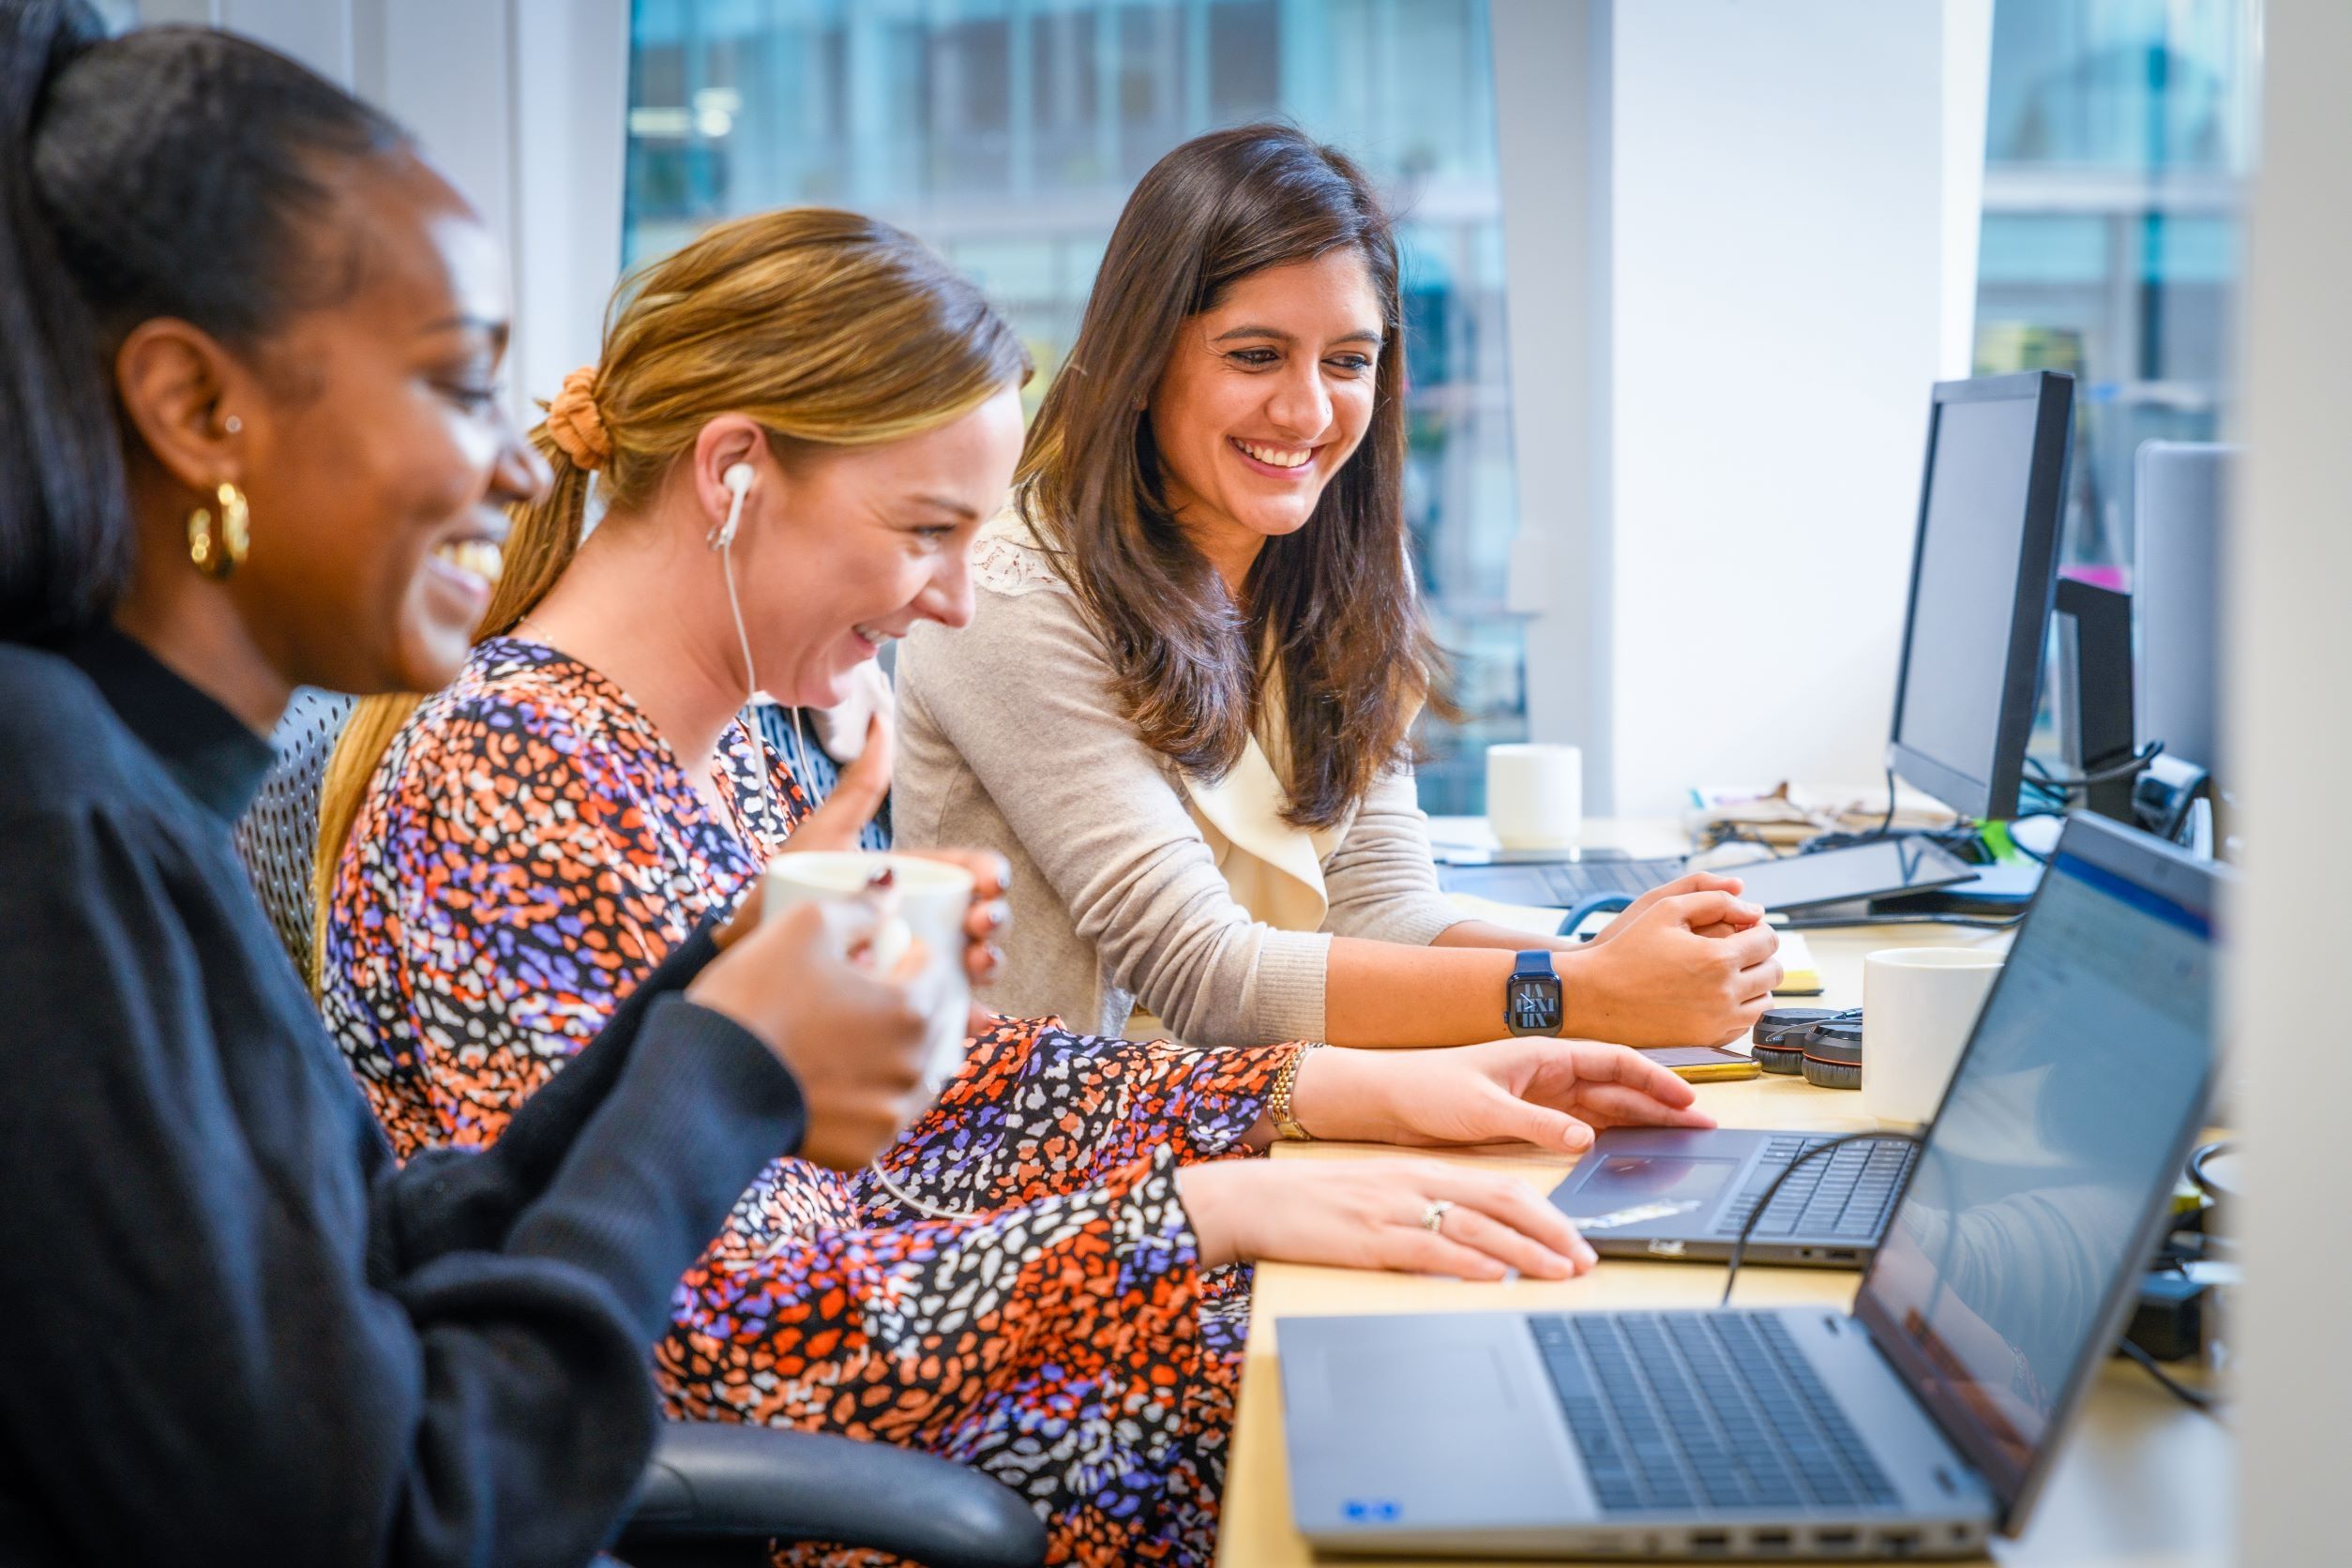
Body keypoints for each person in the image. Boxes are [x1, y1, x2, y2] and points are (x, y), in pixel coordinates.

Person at [314, 205, 1719, 1564]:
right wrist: (1201, 1211)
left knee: (1422, 1339)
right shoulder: (521, 789)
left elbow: (916, 1101)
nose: (954, 602)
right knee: (1376, 1399)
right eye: (925, 530)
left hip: (880, 1344)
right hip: (789, 1450)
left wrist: (1317, 1097)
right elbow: (720, 1338)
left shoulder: (731, 744)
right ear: (731, 471)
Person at [0, 8, 938, 1563]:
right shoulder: (56, 814)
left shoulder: (124, 788)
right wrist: (717, 1076)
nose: (518, 467)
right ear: (197, 408)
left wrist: (702, 1006)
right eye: (456, 386)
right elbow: (390, 1518)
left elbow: (339, 1285)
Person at [895, 123, 1783, 1049]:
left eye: (1349, 361)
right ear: (1146, 357)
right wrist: (1578, 991)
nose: (1308, 411)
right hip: (1039, 1150)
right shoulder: (1008, 594)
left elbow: (1382, 911)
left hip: (1265, 1111)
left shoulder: (1350, 564)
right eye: (1254, 355)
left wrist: (1621, 968)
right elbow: (1204, 974)